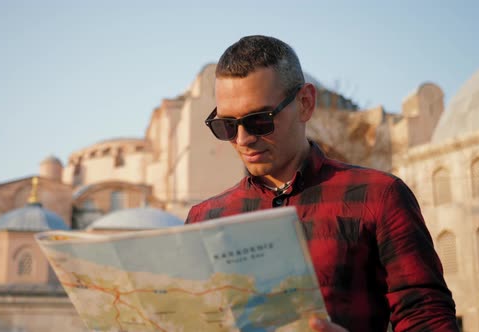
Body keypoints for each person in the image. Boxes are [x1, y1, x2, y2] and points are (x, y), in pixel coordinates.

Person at [185, 35, 458, 332]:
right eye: (226, 125)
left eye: (259, 121)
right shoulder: (203, 220)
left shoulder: (379, 197)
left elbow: (428, 321)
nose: (242, 139)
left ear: (305, 103)